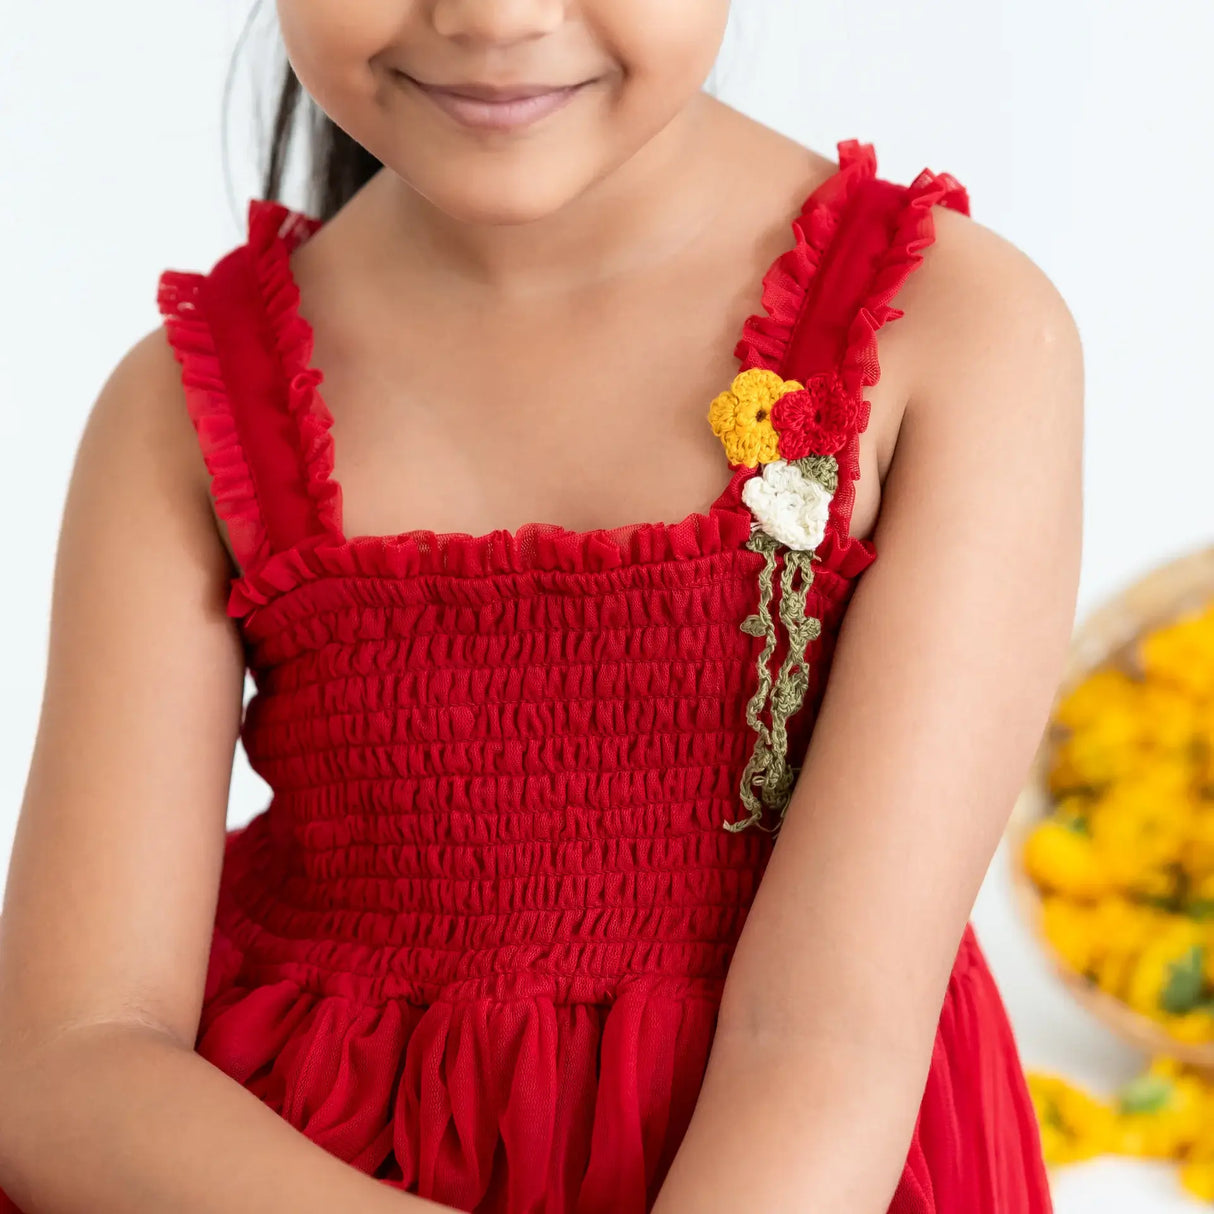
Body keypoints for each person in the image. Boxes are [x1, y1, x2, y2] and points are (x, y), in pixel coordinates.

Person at [0, 2, 1084, 1212]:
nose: (493, 13)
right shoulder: (183, 409)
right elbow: (70, 1054)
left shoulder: (951, 332)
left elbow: (826, 1037)